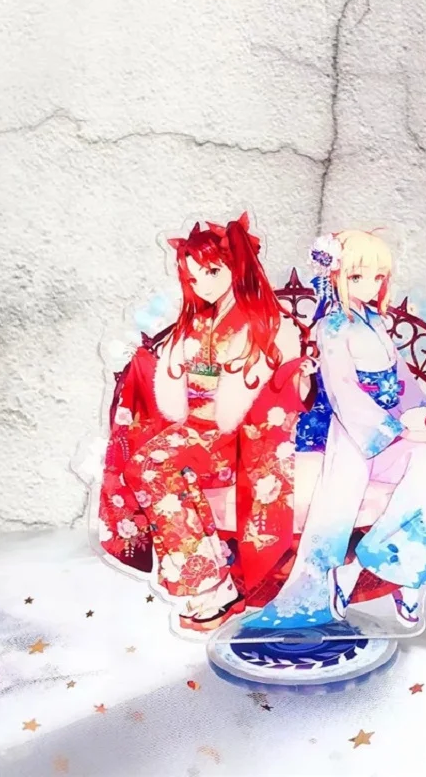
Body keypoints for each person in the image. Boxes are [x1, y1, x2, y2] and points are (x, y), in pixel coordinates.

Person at [248, 230, 426, 631]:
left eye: (378, 277)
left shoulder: (376, 321)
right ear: (336, 275)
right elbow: (344, 393)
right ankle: (396, 576)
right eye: (358, 277)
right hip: (356, 435)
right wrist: (400, 431)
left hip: (395, 427)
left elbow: (403, 380)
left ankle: (389, 570)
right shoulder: (332, 327)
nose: (371, 286)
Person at [98, 213, 314, 632]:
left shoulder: (270, 323)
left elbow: (288, 389)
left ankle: (208, 584)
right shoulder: (197, 322)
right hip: (195, 429)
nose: (203, 285)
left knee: (149, 466)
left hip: (235, 434)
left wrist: (294, 376)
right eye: (194, 278)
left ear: (237, 266)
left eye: (212, 272)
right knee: (146, 463)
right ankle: (213, 581)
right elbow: (173, 382)